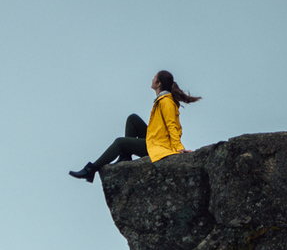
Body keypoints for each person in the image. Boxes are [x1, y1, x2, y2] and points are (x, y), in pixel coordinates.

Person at [69, 70, 199, 181]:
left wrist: (179, 147)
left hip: (160, 146)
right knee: (133, 119)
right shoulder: (162, 100)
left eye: (154, 77)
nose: (152, 79)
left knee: (120, 142)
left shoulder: (166, 102)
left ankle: (91, 170)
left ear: (158, 83)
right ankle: (125, 157)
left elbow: (173, 126)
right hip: (155, 140)